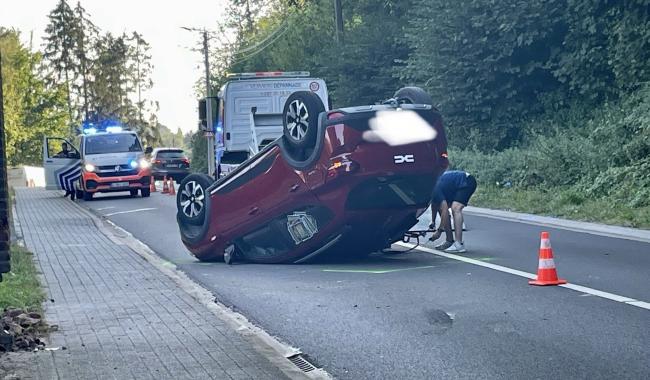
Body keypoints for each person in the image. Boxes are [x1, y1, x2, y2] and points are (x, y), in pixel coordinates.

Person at [429, 170, 477, 253]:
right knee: (441, 209)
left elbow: (445, 209)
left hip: (466, 181)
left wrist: (439, 231)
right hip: (456, 185)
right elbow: (434, 204)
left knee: (456, 208)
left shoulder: (433, 187)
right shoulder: (431, 188)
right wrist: (432, 221)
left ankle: (459, 244)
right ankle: (449, 241)